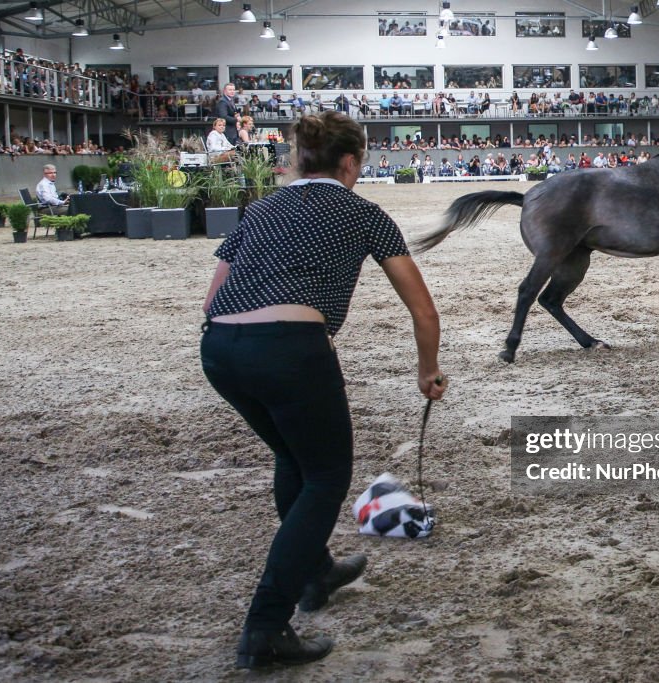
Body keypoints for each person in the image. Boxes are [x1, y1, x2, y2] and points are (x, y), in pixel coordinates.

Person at [199, 110, 446, 669]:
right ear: (350, 163)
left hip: (219, 351)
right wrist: (426, 371)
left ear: (297, 160)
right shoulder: (363, 211)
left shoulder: (260, 209)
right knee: (327, 477)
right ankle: (264, 627)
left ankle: (316, 574)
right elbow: (423, 310)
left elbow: (213, 300)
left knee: (294, 459)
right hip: (292, 350)